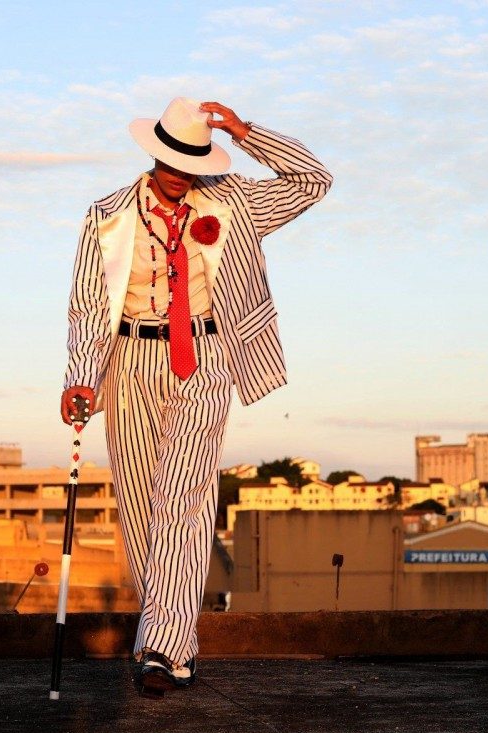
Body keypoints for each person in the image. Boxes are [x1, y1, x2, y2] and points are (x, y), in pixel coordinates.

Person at [60, 97, 331, 697]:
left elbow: (313, 181)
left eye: (194, 162)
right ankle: (173, 648)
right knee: (140, 506)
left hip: (206, 357)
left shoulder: (232, 201)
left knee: (184, 497)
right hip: (128, 360)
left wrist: (246, 132)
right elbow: (84, 308)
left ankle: (160, 647)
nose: (183, 174)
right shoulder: (104, 217)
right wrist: (80, 377)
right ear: (153, 156)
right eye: (174, 162)